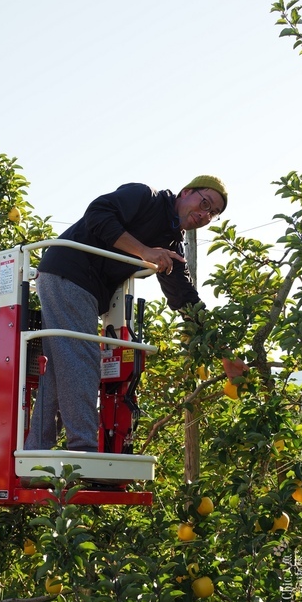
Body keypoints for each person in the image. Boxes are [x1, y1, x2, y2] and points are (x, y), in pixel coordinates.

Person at [24, 175, 248, 453]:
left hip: (82, 288)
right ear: (186, 192)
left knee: (62, 369)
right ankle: (83, 450)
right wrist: (144, 252)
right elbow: (98, 213)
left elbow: (186, 300)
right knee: (81, 359)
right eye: (204, 202)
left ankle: (35, 453)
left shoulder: (171, 248)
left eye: (212, 214)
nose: (204, 214)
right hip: (69, 271)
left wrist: (224, 353)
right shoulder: (145, 197)